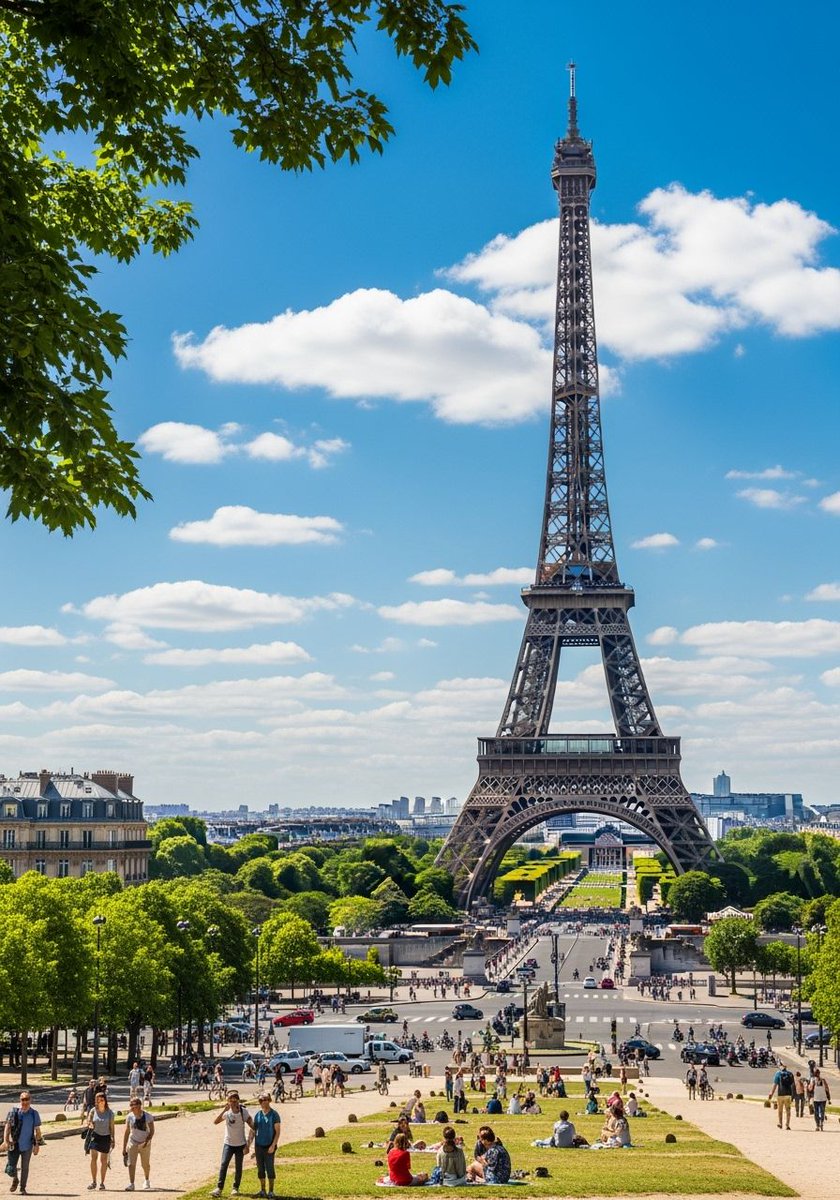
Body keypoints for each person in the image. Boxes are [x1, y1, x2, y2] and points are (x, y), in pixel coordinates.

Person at [211, 1091, 254, 1197]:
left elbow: (252, 1126)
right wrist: (223, 1110)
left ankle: (235, 1188)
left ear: (238, 1101)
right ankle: (219, 1188)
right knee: (224, 1165)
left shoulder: (243, 1112)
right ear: (228, 1102)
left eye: (235, 1101)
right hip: (228, 1144)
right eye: (230, 1101)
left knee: (238, 1167)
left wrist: (248, 1144)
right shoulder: (227, 1112)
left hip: (240, 1144)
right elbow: (215, 1122)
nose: (233, 1103)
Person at [3, 1090, 43, 1196]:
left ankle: (22, 1188)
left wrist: (37, 1144)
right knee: (10, 1168)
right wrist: (6, 1141)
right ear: (20, 1100)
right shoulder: (14, 1111)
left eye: (27, 1099)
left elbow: (37, 1130)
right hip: (14, 1144)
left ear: (30, 1100)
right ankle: (15, 1179)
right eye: (22, 1099)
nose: (24, 1102)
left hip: (28, 1145)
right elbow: (7, 1126)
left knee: (25, 1168)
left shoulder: (34, 1114)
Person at [250, 1093, 281, 1199]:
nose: (263, 1102)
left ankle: (271, 1191)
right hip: (259, 1145)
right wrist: (249, 1144)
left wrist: (273, 1145)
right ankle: (262, 1190)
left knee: (270, 1168)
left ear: (269, 1100)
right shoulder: (258, 1115)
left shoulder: (274, 1114)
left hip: (269, 1145)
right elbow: (253, 1130)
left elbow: (277, 1132)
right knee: (260, 1169)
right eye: (260, 1100)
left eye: (265, 1100)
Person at [122, 1096, 155, 1191]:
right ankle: (132, 1183)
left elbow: (152, 1131)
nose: (132, 1107)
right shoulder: (129, 1116)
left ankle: (147, 1180)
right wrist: (124, 1148)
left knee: (145, 1164)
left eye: (134, 1105)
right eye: (131, 1105)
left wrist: (147, 1140)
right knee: (131, 1164)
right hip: (133, 1142)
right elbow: (127, 1132)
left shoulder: (148, 1116)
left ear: (139, 1105)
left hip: (145, 1143)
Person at [86, 1091, 116, 1190]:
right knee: (93, 1158)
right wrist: (90, 1124)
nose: (100, 1102)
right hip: (95, 1136)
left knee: (103, 1161)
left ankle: (102, 1183)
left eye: (102, 1100)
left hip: (106, 1136)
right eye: (98, 1100)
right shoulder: (93, 1111)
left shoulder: (110, 1113)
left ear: (105, 1100)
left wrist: (113, 1138)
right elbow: (89, 1120)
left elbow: (112, 1127)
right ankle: (93, 1181)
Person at [768, 1063, 795, 1130]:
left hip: (780, 1094)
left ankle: (780, 1123)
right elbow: (792, 1086)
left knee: (780, 1110)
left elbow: (775, 1084)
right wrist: (793, 1095)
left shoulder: (778, 1074)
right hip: (788, 1095)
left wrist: (771, 1093)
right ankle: (787, 1125)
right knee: (788, 1110)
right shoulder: (790, 1074)